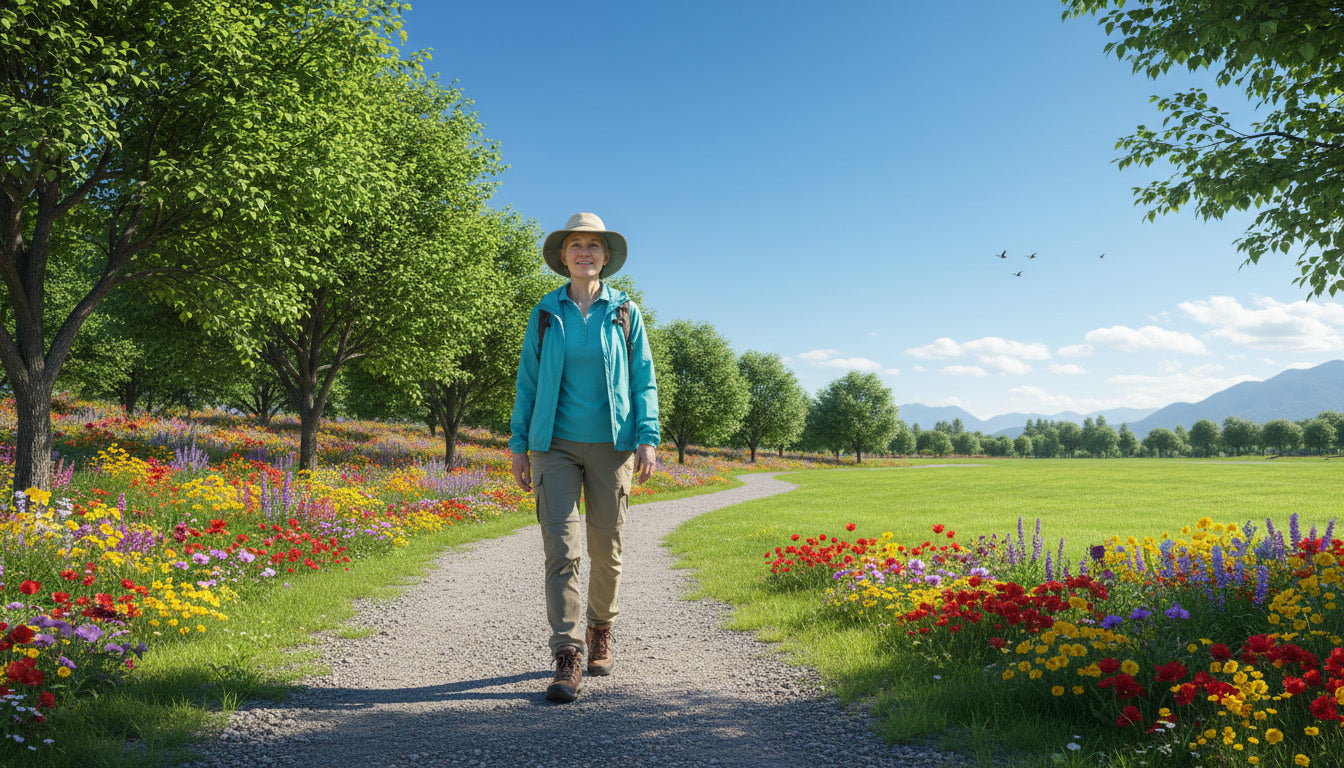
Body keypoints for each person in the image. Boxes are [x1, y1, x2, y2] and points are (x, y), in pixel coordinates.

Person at [508, 212, 659, 703]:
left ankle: (600, 630)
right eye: (576, 244)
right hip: (553, 444)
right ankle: (567, 653)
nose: (585, 253)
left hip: (613, 446)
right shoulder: (545, 313)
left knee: (606, 551)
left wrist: (648, 436)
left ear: (606, 258)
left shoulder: (624, 311)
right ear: (563, 256)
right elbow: (527, 382)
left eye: (594, 245)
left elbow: (643, 378)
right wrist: (519, 445)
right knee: (561, 549)